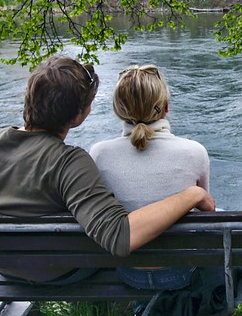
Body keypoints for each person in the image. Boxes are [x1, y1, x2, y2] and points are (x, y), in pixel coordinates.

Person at [0, 56, 215, 285]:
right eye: (89, 105)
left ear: (30, 95)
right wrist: (190, 195)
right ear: (78, 116)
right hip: (57, 272)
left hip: (3, 266)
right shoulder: (68, 161)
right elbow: (119, 237)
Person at [89, 64, 210, 292]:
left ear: (118, 110)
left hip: (128, 271)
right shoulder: (194, 152)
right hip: (181, 271)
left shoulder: (98, 154)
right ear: (166, 107)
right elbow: (207, 210)